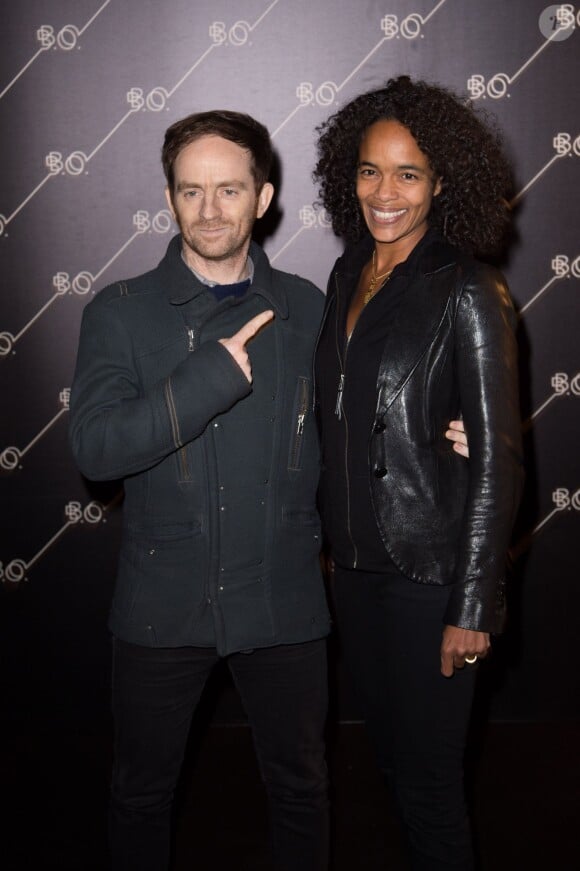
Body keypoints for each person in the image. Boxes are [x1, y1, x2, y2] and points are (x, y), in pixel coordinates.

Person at [69, 110, 332, 871]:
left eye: (228, 190)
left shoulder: (307, 308)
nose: (210, 210)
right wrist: (209, 377)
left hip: (283, 599)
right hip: (162, 603)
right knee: (140, 795)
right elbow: (95, 448)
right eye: (191, 191)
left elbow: (353, 435)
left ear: (264, 196)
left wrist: (445, 444)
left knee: (302, 789)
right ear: (170, 197)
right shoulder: (119, 312)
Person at [313, 76, 523, 870]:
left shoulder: (467, 289)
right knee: (394, 769)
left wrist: (474, 606)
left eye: (409, 173)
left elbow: (499, 462)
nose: (386, 192)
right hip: (356, 574)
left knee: (432, 786)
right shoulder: (346, 276)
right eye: (370, 170)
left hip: (429, 577)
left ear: (442, 182)